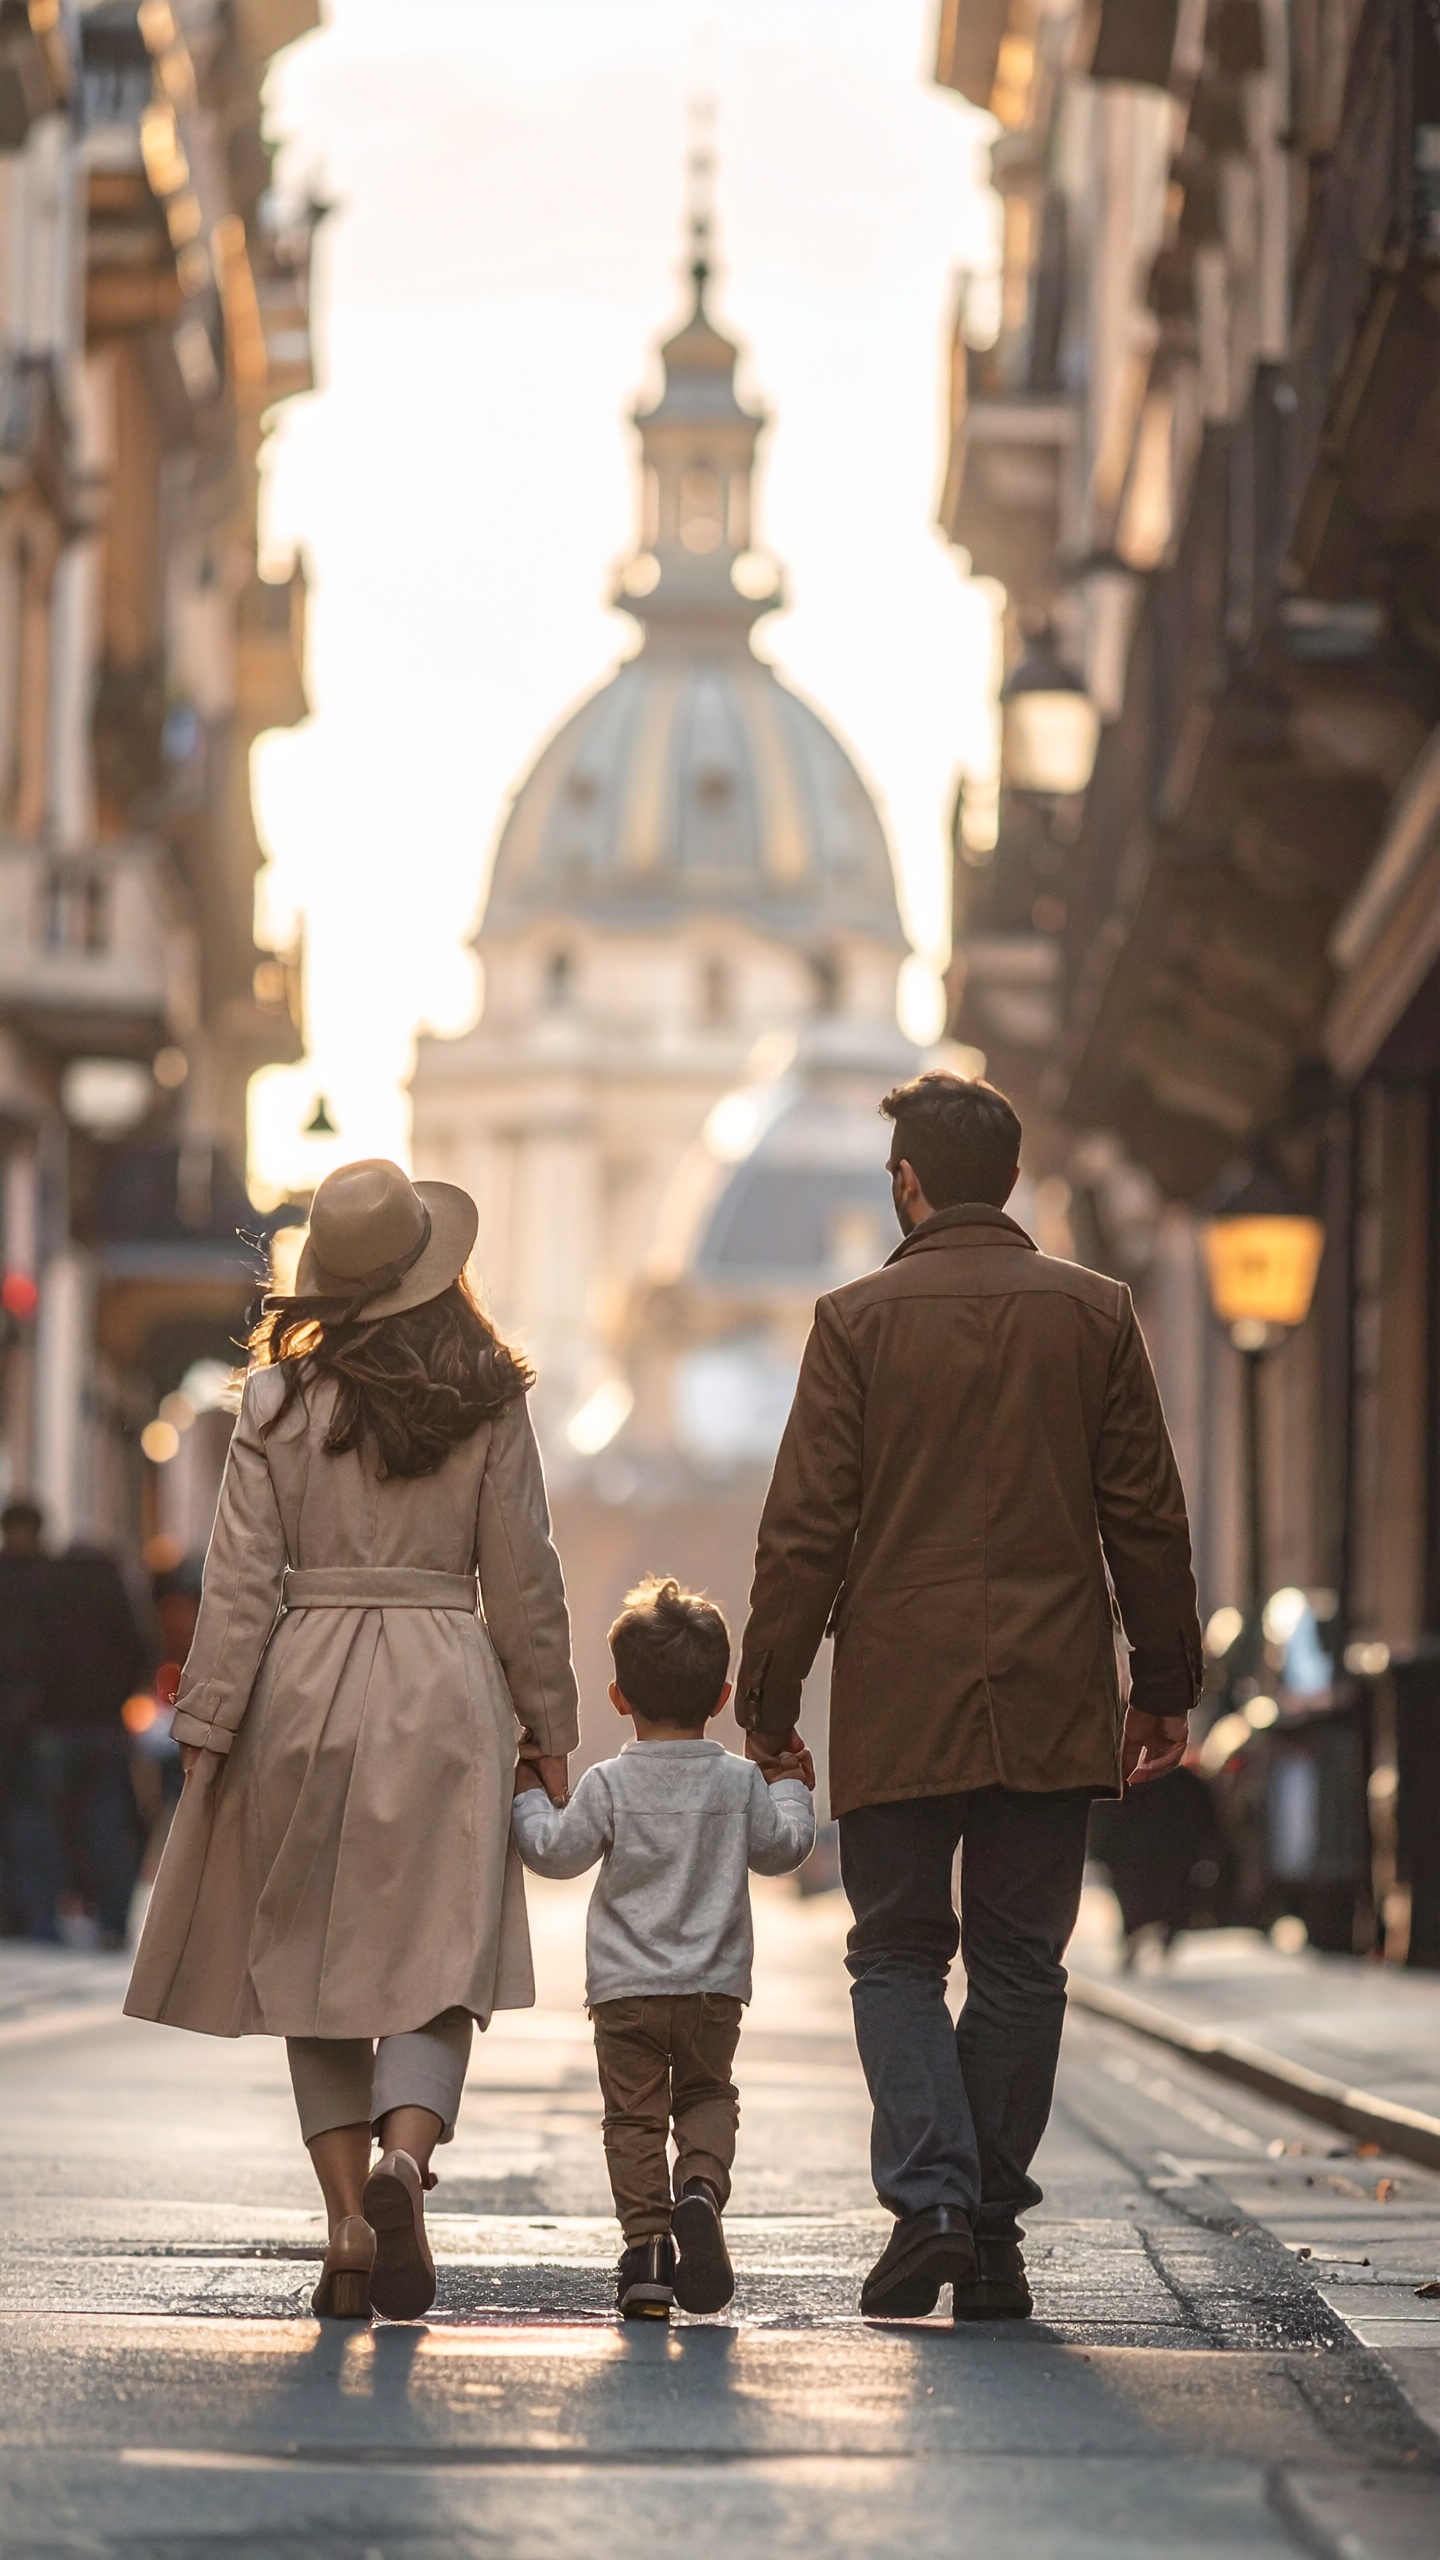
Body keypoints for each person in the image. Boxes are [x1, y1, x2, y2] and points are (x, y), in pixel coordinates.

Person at [735, 1071, 1201, 2324]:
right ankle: (988, 2232)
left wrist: (767, 1696)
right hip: (1053, 1691)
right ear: (1006, 1176)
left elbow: (804, 1532)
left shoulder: (854, 1320)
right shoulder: (1096, 1314)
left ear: (908, 1183)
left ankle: (936, 2200)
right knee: (1020, 1965)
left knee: (893, 1951)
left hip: (899, 1688)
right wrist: (1164, 1684)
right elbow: (1146, 1519)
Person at [125, 1159, 578, 2323]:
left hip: (305, 1680)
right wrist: (549, 1724)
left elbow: (236, 1584)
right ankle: (406, 2164)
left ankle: (343, 2231)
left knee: (316, 1970)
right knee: (438, 1962)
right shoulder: (488, 1395)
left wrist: (210, 1724)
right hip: (446, 1684)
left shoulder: (274, 1402)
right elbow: (523, 1573)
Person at [511, 1576, 814, 2319]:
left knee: (634, 2122)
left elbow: (553, 1853)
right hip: (714, 1990)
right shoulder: (741, 1781)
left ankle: (647, 2252)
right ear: (721, 1696)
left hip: (625, 1993)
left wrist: (524, 1792)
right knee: (709, 2096)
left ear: (619, 1697)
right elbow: (784, 1851)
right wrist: (793, 1788)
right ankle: (701, 2190)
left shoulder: (610, 1784)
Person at [1, 1503, 147, 1947]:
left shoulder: (39, 1585)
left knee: (40, 1823)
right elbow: (139, 1650)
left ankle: (41, 1919)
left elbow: (28, 1655)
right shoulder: (98, 1585)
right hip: (100, 1725)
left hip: (49, 1726)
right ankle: (111, 1920)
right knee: (104, 1823)